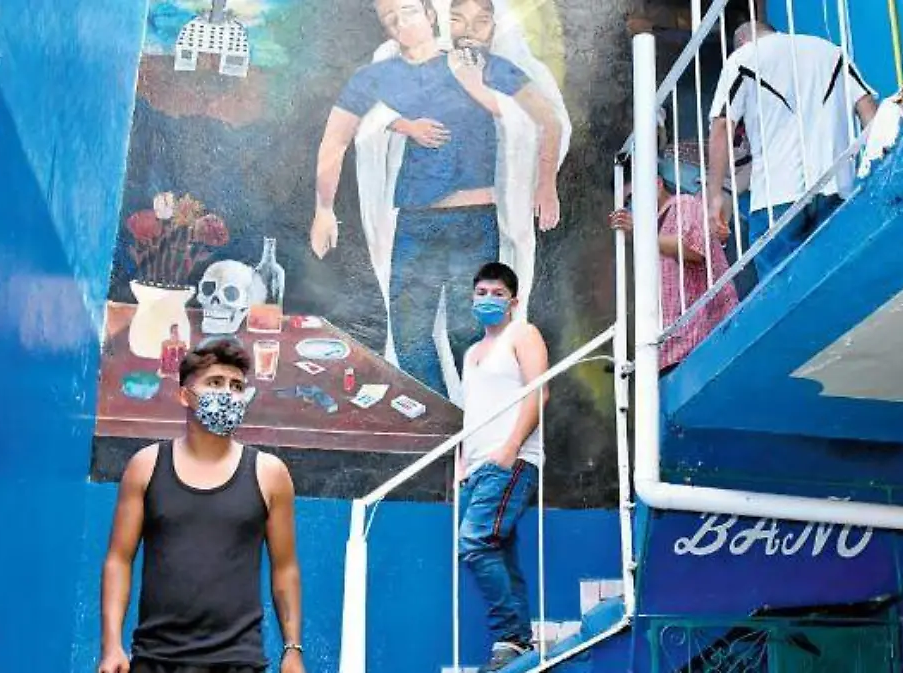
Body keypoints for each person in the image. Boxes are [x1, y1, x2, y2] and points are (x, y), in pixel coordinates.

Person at [311, 0, 563, 400]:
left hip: (473, 220)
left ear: (431, 15)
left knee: (470, 332)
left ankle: (479, 420)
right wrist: (324, 209)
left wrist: (545, 185)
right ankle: (445, 420)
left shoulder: (480, 65)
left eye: (409, 11)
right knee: (409, 336)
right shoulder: (376, 77)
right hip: (415, 221)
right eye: (390, 18)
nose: (401, 22)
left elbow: (547, 119)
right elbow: (335, 139)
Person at [97, 340, 304, 673]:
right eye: (215, 382)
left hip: (238, 663)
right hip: (155, 660)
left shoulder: (270, 474)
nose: (227, 394)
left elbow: (285, 568)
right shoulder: (146, 466)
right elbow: (118, 560)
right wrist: (111, 646)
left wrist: (292, 649)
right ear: (185, 395)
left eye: (237, 386)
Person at [706, 20, 878, 280]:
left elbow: (721, 125)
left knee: (778, 287)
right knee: (839, 279)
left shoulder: (742, 59)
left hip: (776, 197)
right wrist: (875, 169)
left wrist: (715, 196)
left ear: (742, 41)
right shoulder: (830, 51)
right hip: (836, 188)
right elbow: (868, 110)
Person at [458, 262, 549, 671]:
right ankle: (519, 643)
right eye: (482, 293)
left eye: (497, 294)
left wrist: (511, 447)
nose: (488, 300)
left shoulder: (523, 333)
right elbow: (473, 411)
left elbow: (540, 393)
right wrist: (464, 464)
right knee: (498, 551)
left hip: (510, 458)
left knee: (475, 542)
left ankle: (511, 636)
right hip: (478, 467)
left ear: (514, 301)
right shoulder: (471, 353)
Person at [610, 156, 738, 374]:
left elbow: (693, 248)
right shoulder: (653, 231)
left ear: (657, 183)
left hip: (704, 336)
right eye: (627, 202)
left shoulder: (684, 204)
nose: (631, 206)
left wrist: (638, 231)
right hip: (673, 349)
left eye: (632, 196)